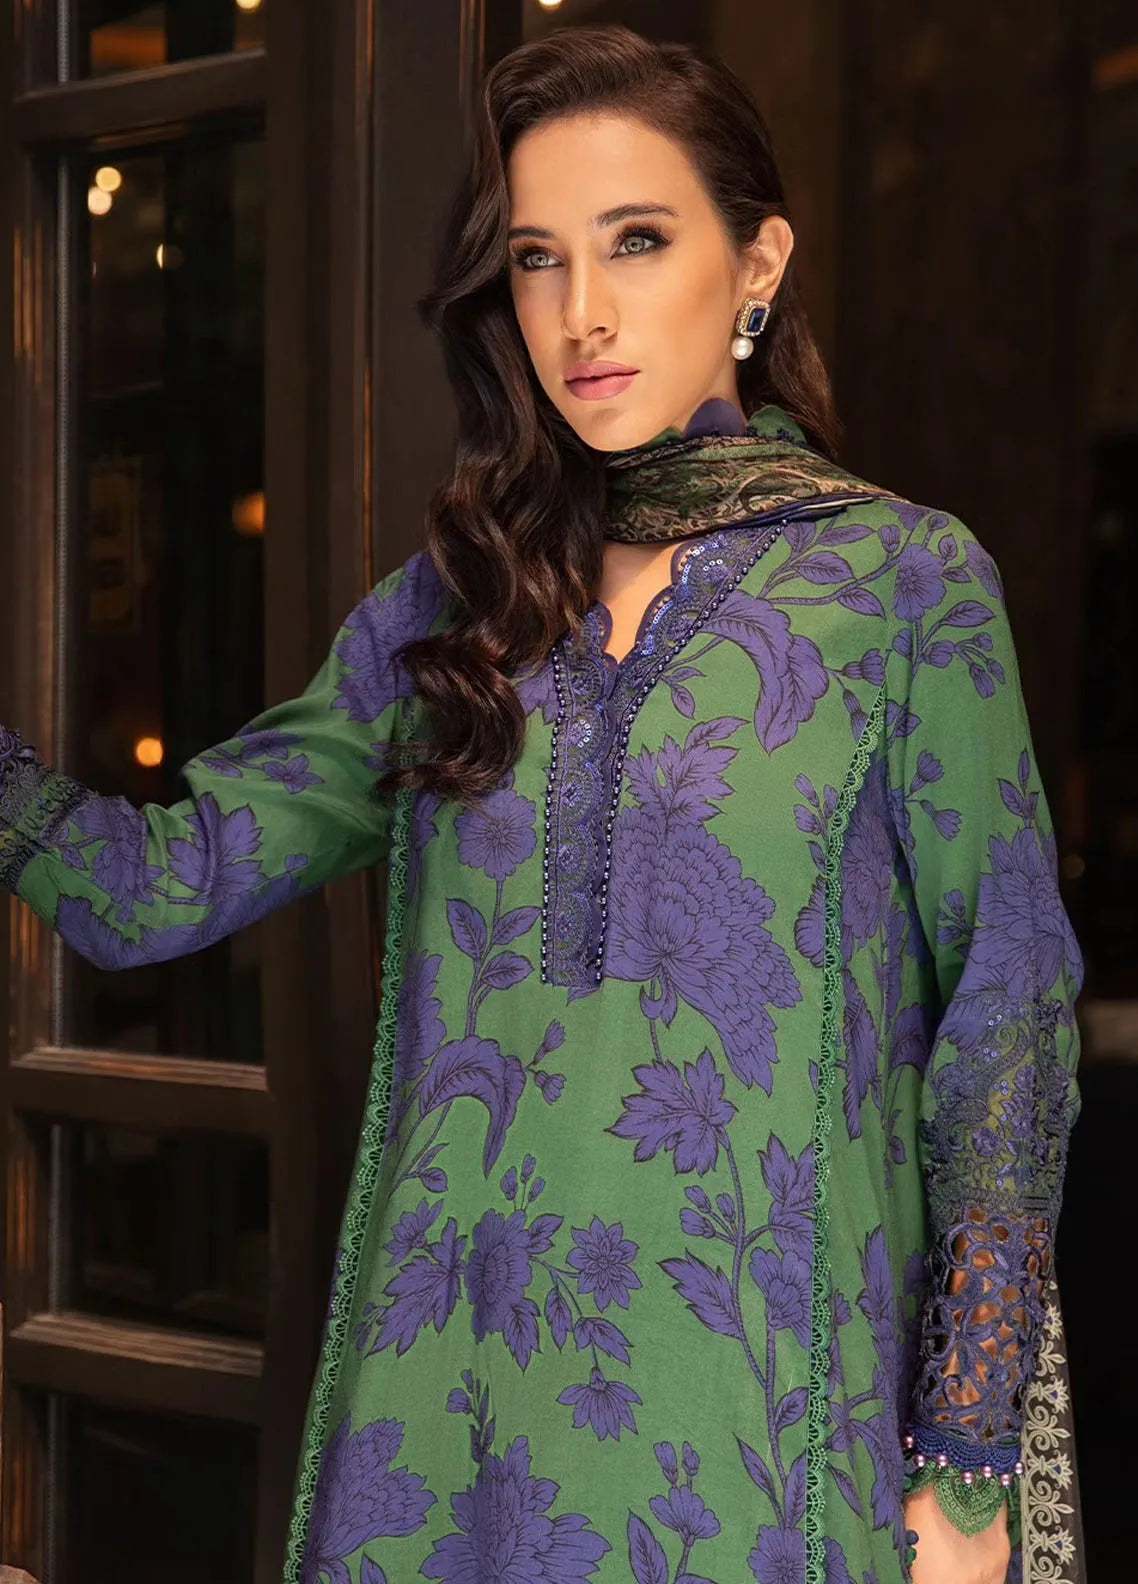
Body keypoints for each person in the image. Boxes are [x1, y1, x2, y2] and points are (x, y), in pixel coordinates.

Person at [0, 23, 1084, 1584]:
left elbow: (1005, 1017)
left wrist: (967, 1468)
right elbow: (151, 890)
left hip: (767, 1426)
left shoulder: (901, 583)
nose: (582, 313)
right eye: (534, 259)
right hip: (453, 1422)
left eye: (635, 241)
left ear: (756, 262)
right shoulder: (453, 612)